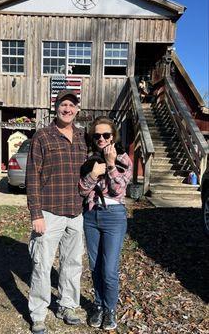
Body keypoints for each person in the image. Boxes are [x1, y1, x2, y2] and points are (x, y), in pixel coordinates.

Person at [26, 89, 87, 334]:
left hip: (76, 212)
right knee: (42, 265)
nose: (68, 109)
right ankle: (38, 314)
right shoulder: (43, 136)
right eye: (64, 104)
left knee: (73, 264)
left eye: (72, 105)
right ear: (56, 107)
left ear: (77, 110)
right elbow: (32, 177)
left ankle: (67, 305)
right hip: (49, 213)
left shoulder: (83, 137)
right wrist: (36, 214)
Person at [79, 116, 132, 331]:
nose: (101, 139)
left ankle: (110, 309)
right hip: (91, 216)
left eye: (106, 135)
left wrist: (110, 166)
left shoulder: (124, 159)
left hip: (114, 216)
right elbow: (82, 190)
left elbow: (118, 190)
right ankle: (98, 305)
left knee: (109, 269)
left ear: (113, 136)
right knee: (95, 266)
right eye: (97, 135)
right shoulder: (89, 158)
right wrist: (93, 174)